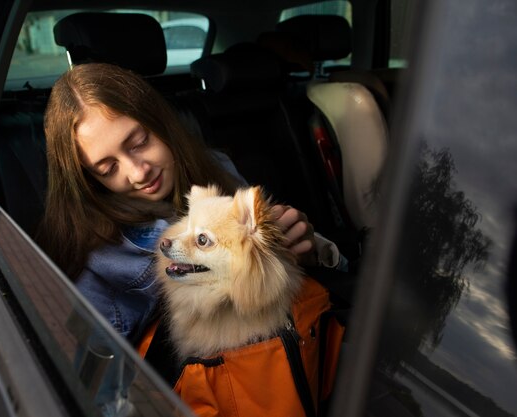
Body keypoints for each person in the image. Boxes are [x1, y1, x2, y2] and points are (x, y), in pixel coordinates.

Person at [37, 62, 340, 345]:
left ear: (160, 122)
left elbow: (301, 258)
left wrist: (307, 247)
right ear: (90, 180)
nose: (138, 172)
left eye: (140, 142)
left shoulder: (214, 165)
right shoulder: (106, 262)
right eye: (107, 168)